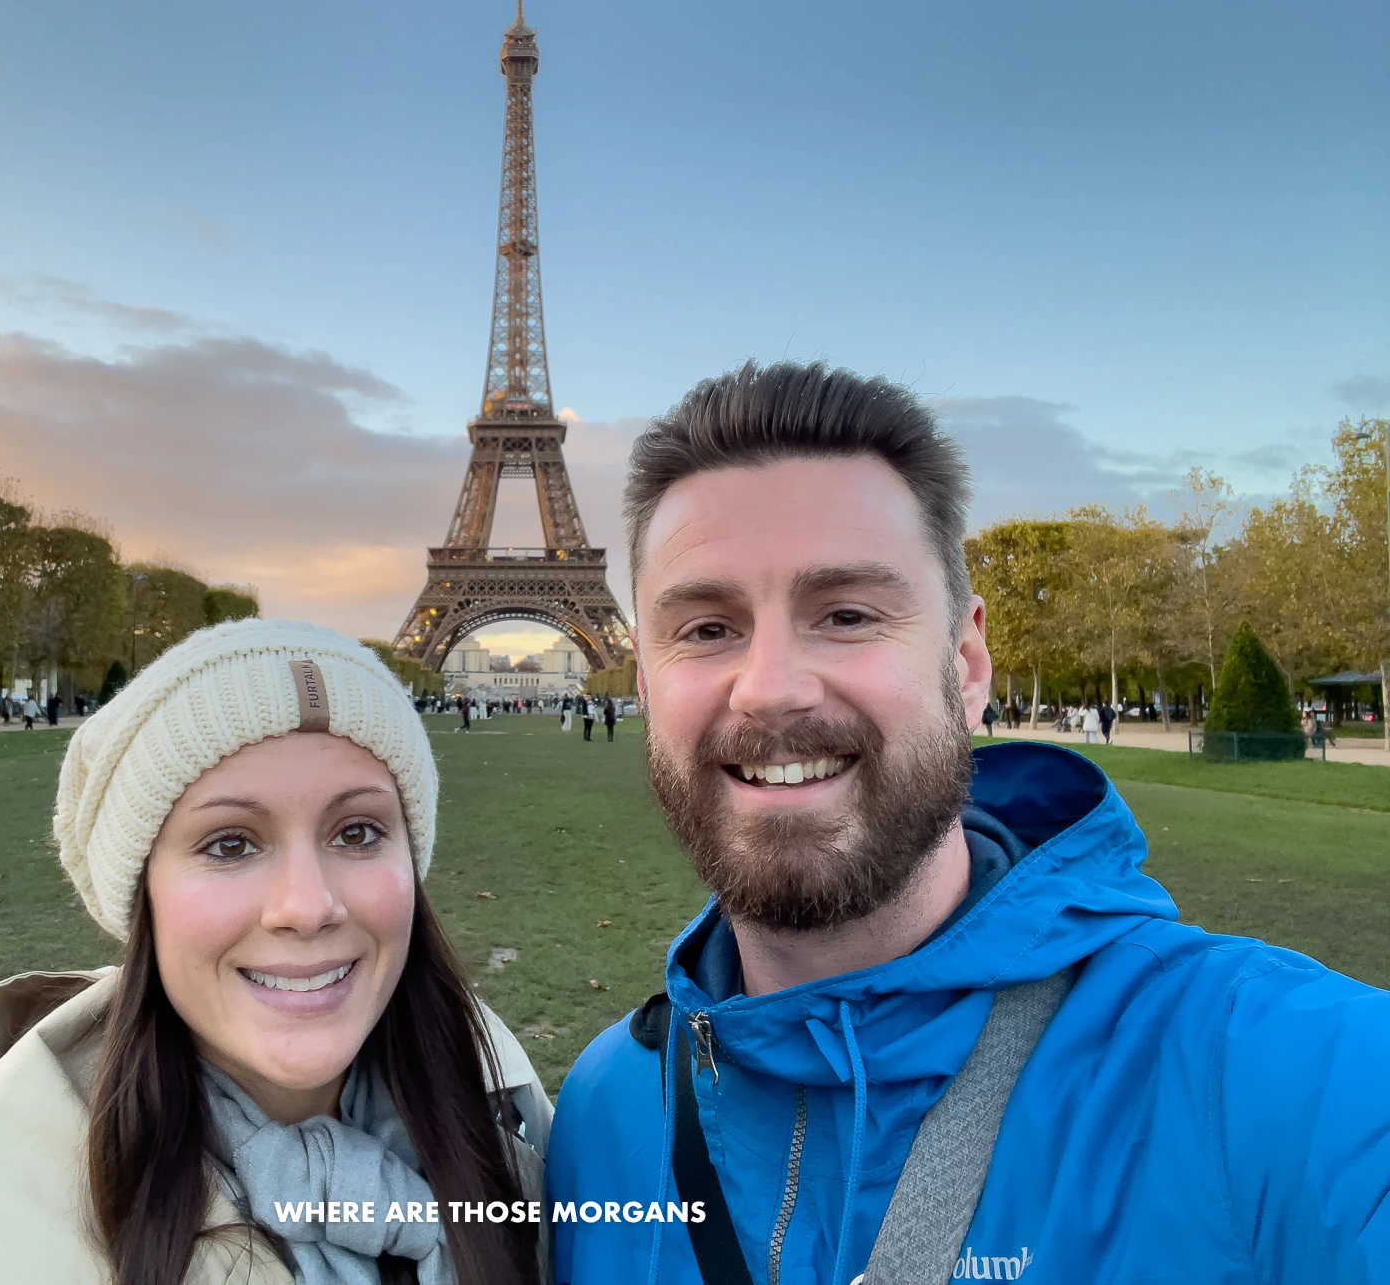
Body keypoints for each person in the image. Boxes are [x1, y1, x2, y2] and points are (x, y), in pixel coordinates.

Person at [544, 360, 1390, 1284]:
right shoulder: (601, 1114)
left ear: (968, 663)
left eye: (847, 614)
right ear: (644, 684)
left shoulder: (1281, 1074)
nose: (771, 688)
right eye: (707, 629)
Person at [0, 620, 548, 1285]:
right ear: (143, 895)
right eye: (230, 844)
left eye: (359, 832)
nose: (307, 906)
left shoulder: (532, 1153)